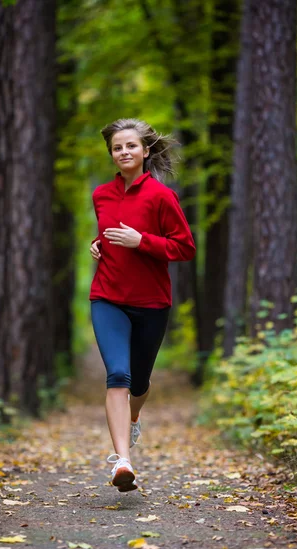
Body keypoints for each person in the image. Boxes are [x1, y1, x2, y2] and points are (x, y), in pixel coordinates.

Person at [89, 118, 196, 493]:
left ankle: (133, 419)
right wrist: (98, 244)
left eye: (130, 146)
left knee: (140, 382)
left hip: (151, 301)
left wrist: (142, 241)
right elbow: (106, 231)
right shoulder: (101, 194)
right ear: (112, 154)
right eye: (117, 147)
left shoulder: (162, 197)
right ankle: (123, 461)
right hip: (108, 297)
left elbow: (184, 248)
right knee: (118, 375)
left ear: (145, 151)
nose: (124, 152)